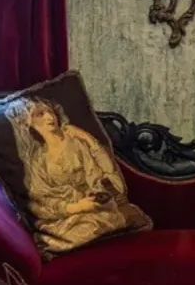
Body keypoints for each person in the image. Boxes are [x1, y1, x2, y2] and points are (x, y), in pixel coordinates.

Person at [9, 97, 149, 254]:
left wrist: (88, 140)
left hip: (95, 210)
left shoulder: (76, 143)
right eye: (40, 114)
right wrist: (74, 207)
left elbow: (101, 178)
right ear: (29, 122)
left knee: (94, 225)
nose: (49, 117)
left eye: (50, 111)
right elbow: (40, 200)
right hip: (64, 217)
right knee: (55, 235)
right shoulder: (38, 161)